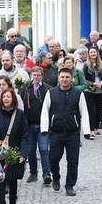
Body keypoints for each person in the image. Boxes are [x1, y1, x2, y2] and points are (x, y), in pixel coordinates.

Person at [40, 68, 90, 196]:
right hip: (56, 132)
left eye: (67, 77)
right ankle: (56, 177)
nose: (64, 79)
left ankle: (70, 185)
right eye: (62, 77)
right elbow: (45, 111)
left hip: (72, 133)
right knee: (53, 158)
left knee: (73, 160)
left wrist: (86, 131)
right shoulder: (51, 93)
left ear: (71, 78)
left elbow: (84, 112)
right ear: (59, 78)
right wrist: (44, 129)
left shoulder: (78, 93)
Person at [19, 66, 52, 184]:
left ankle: (46, 173)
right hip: (29, 124)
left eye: (38, 75)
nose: (36, 77)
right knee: (30, 150)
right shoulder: (25, 88)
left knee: (43, 149)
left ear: (42, 76)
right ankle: (33, 173)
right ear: (31, 76)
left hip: (42, 125)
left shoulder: (48, 89)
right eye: (34, 75)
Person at [83, 48, 102, 137]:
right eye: (91, 52)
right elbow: (84, 79)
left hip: (100, 90)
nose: (93, 54)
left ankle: (97, 128)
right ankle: (91, 129)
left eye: (94, 52)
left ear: (97, 53)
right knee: (91, 110)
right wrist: (92, 83)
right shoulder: (86, 65)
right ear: (89, 54)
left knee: (99, 110)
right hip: (90, 90)